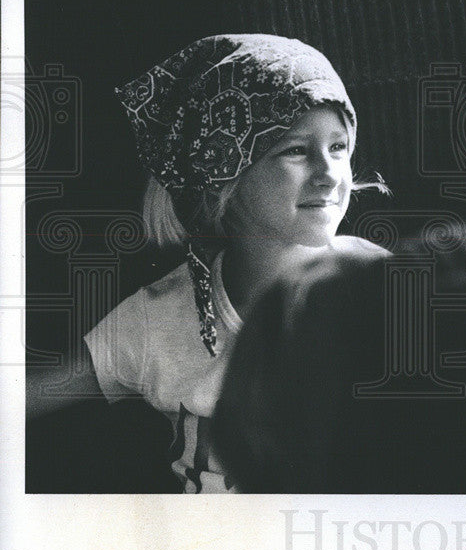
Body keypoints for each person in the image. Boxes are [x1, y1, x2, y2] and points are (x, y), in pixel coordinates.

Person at [26, 34, 388, 493]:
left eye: (338, 147)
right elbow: (33, 392)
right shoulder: (156, 318)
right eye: (296, 150)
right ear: (224, 179)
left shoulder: (380, 283)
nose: (328, 172)